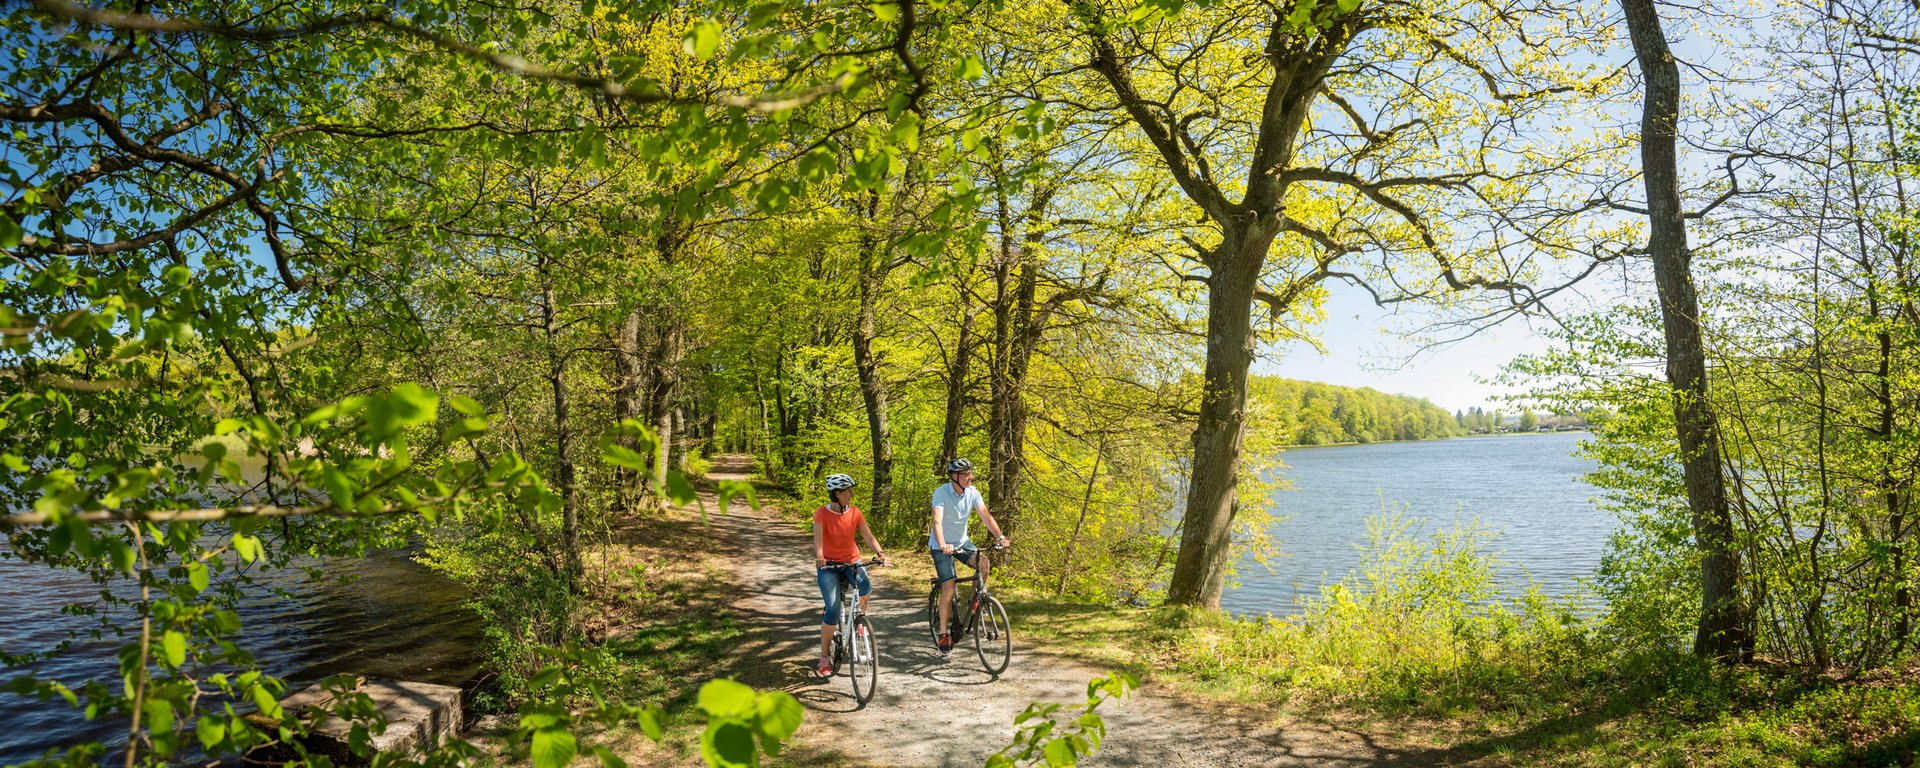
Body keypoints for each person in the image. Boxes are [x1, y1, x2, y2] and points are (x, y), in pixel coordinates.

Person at [928, 457, 1010, 654]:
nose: (970, 477)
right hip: (941, 546)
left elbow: (985, 516)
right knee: (949, 585)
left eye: (970, 473)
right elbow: (937, 522)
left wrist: (1000, 536)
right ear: (954, 476)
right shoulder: (941, 493)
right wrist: (942, 545)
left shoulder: (972, 493)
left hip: (963, 543)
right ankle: (943, 634)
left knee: (983, 564)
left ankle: (975, 600)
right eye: (966, 474)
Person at [815, 472, 889, 678]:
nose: (851, 494)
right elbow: (818, 540)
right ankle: (824, 658)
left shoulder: (855, 512)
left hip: (851, 561)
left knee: (865, 587)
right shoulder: (821, 513)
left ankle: (859, 620)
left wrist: (880, 553)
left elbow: (867, 535)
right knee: (832, 609)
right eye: (848, 491)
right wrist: (820, 556)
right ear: (837, 494)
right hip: (828, 565)